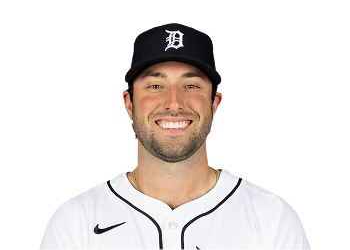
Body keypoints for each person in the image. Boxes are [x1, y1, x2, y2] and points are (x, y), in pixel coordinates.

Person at [40, 24, 310, 250]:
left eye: (190, 85)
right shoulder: (75, 221)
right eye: (155, 85)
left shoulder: (272, 218)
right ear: (129, 103)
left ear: (214, 103)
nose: (174, 102)